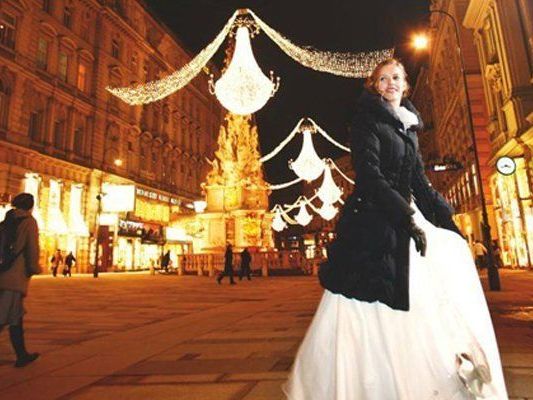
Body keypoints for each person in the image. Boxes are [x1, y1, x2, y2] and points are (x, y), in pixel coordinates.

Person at [283, 59, 508, 399]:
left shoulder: (407, 126)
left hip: (406, 213)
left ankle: (425, 379)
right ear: (374, 86)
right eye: (383, 78)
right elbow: (370, 177)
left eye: (397, 77)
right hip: (374, 222)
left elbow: (419, 180)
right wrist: (407, 217)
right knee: (368, 305)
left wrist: (448, 222)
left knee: (430, 291)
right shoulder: (366, 121)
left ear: (406, 85)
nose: (391, 83)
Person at [0, 193, 41, 367]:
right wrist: (33, 268)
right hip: (14, 276)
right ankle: (22, 355)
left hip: (2, 272)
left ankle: (22, 354)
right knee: (4, 316)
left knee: (15, 315)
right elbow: (32, 248)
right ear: (30, 206)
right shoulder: (29, 222)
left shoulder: (6, 221)